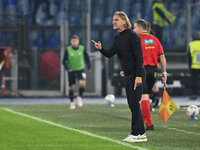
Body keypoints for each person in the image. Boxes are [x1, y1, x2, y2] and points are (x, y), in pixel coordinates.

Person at [92, 11, 147, 143]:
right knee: (131, 104)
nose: (114, 22)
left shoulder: (133, 36)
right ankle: (141, 133)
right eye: (113, 20)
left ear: (124, 21)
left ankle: (136, 133)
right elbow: (110, 54)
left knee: (134, 103)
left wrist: (138, 76)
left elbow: (139, 58)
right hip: (128, 75)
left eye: (116, 19)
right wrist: (101, 49)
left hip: (136, 75)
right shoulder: (118, 38)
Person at [133, 19, 167, 130]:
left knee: (143, 96)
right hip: (154, 70)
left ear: (140, 28)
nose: (133, 30)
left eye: (134, 27)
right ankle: (143, 122)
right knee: (146, 95)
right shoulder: (155, 40)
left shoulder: (137, 40)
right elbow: (162, 57)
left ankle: (149, 124)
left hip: (141, 70)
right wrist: (164, 72)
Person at [63, 35, 91, 109]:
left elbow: (87, 57)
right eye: (73, 41)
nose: (74, 43)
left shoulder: (82, 48)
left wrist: (89, 66)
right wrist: (67, 68)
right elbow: (63, 61)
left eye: (75, 41)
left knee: (83, 83)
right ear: (70, 42)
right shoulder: (68, 50)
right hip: (71, 70)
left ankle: (79, 97)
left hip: (80, 69)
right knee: (71, 87)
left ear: (78, 41)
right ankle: (72, 102)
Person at [188, 32, 200, 100]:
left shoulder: (192, 44)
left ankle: (194, 94)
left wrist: (190, 66)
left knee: (194, 81)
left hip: (194, 66)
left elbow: (189, 56)